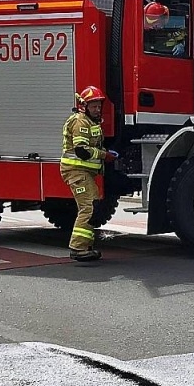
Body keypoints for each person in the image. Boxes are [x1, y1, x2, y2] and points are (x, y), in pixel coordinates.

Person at [60, 86, 115, 263]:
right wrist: (103, 155)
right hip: (76, 171)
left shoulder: (91, 122)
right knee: (89, 208)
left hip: (84, 172)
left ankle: (85, 246)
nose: (97, 110)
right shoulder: (80, 122)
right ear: (84, 106)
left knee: (93, 207)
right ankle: (78, 248)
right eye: (94, 106)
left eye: (99, 106)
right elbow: (82, 151)